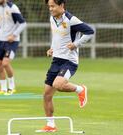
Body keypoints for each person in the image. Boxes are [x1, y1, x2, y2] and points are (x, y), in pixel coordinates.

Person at [38, 0, 94, 132]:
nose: (50, 9)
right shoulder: (52, 18)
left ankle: (80, 90)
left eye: (53, 6)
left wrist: (76, 44)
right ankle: (51, 125)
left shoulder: (71, 19)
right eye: (49, 6)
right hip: (56, 60)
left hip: (69, 61)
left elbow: (90, 32)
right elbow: (56, 36)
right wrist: (52, 48)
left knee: (58, 84)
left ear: (61, 5)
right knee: (46, 95)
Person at [0, 0, 27, 95]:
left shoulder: (12, 8)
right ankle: (3, 89)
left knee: (5, 63)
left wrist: (14, 35)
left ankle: (12, 87)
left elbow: (23, 23)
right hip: (1, 41)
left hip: (12, 41)